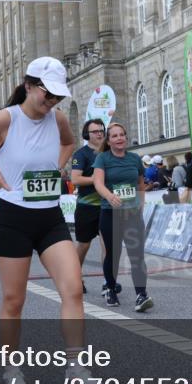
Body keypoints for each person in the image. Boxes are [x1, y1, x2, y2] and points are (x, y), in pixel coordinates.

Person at [0, 56, 98, 384]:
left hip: (50, 217)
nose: (52, 102)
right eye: (47, 94)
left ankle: (77, 370)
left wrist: (57, 167)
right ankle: (12, 371)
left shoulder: (57, 118)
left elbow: (70, 143)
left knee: (73, 288)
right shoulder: (6, 118)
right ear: (29, 86)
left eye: (57, 96)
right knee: (14, 299)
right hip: (12, 217)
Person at [92, 122, 152, 311]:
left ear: (126, 137)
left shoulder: (134, 159)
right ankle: (110, 288)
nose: (119, 138)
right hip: (110, 213)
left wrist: (140, 205)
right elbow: (98, 183)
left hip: (132, 213)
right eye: (115, 136)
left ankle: (141, 295)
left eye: (122, 135)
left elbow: (141, 184)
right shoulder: (103, 158)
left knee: (137, 255)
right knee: (113, 254)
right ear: (108, 141)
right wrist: (109, 196)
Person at [71, 118, 107, 295]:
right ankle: (75, 276)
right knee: (84, 245)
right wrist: (96, 179)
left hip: (106, 205)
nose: (100, 133)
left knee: (107, 243)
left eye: (101, 130)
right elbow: (75, 179)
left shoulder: (110, 152)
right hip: (86, 207)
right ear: (87, 134)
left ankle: (109, 281)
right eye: (95, 131)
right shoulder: (81, 154)